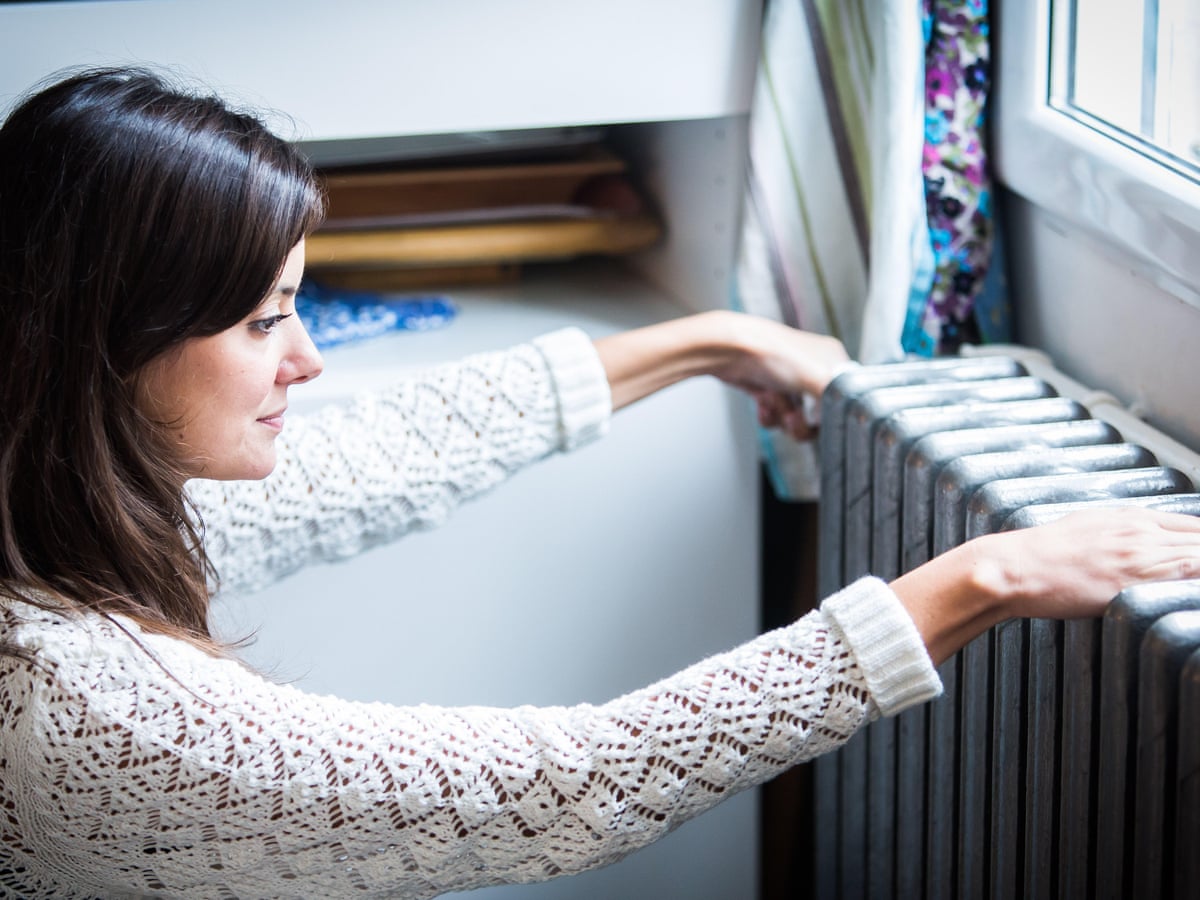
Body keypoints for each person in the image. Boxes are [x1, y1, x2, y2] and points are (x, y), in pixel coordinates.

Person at [0, 67, 1197, 899]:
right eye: (266, 321)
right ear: (110, 341)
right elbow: (569, 785)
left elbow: (387, 452)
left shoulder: (52, 499)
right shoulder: (79, 709)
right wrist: (982, 579)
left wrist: (709, 341)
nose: (308, 361)